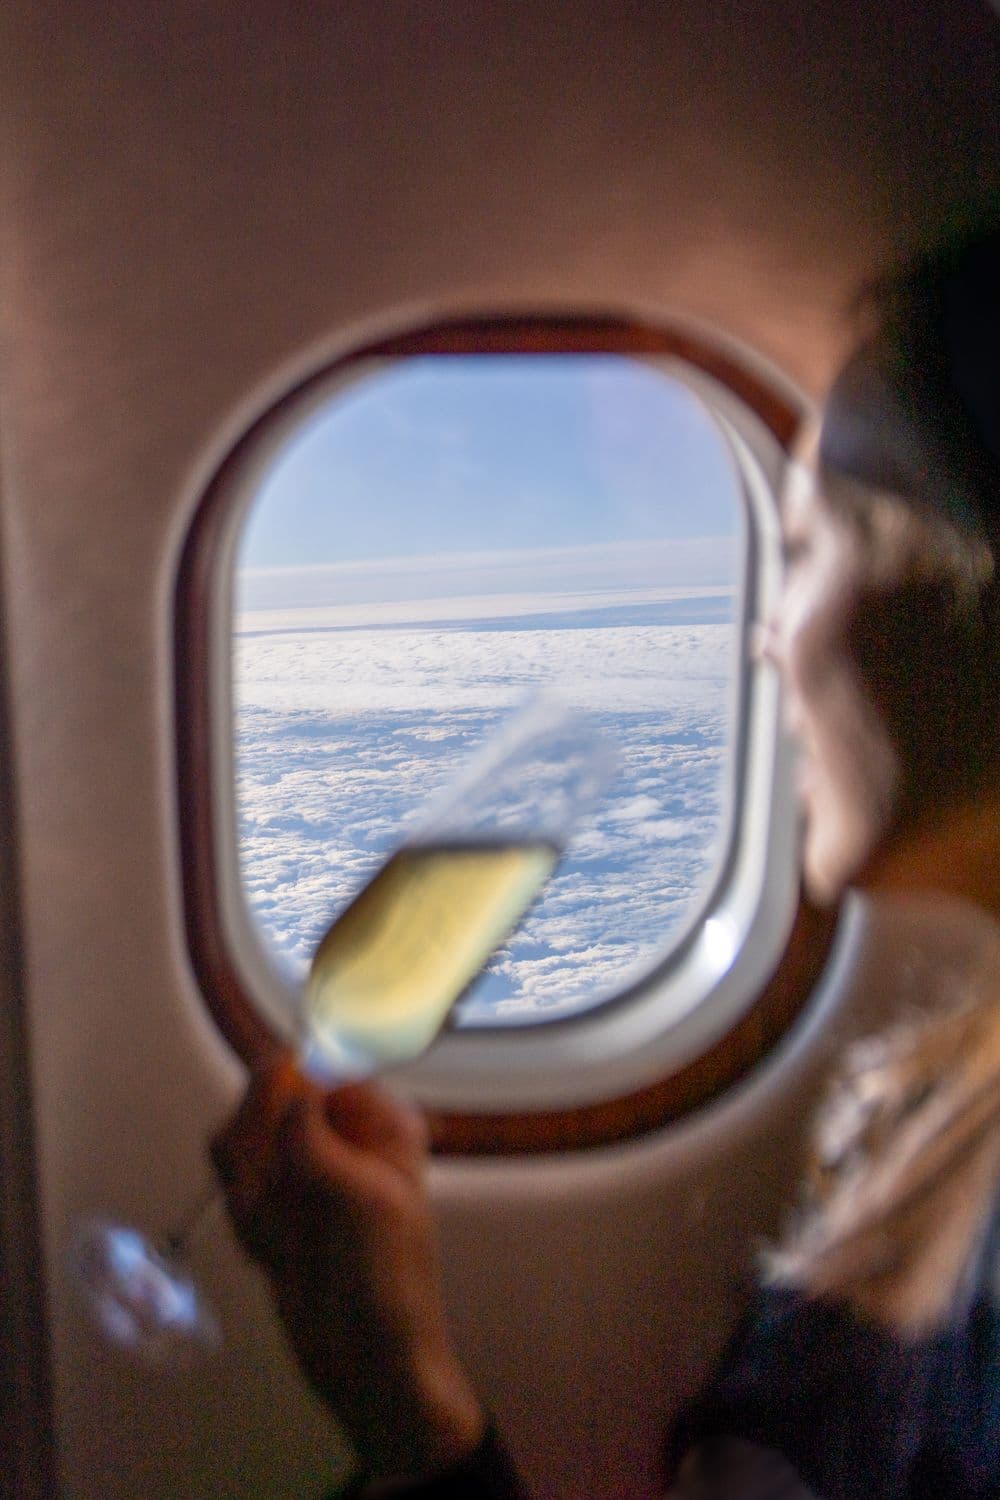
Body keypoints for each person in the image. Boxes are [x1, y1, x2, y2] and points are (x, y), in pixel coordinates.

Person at [210, 218, 1000, 1499]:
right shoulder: (940, 1101)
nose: (760, 641)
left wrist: (408, 1430)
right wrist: (404, 1396)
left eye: (803, 548)